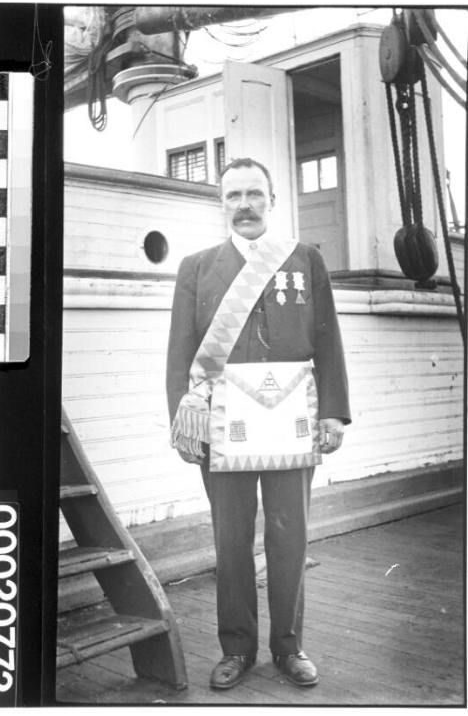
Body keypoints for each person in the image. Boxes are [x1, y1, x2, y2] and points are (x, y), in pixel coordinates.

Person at [166, 157, 351, 690]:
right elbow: (180, 350)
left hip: (292, 421)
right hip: (223, 424)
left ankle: (290, 648)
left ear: (273, 200)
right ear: (221, 204)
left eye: (254, 194)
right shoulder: (197, 267)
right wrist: (185, 419)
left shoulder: (305, 259)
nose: (244, 204)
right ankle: (238, 649)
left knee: (290, 535)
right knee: (231, 539)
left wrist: (335, 412)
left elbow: (328, 339)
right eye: (233, 196)